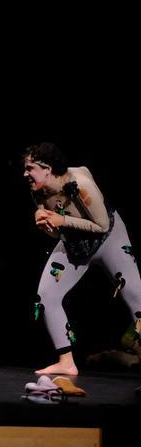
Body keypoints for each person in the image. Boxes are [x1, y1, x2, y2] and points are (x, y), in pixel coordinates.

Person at [23, 142, 141, 375]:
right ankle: (66, 362)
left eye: (30, 168)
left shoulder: (80, 185)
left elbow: (102, 225)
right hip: (75, 244)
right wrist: (45, 221)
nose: (25, 173)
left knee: (138, 300)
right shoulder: (37, 189)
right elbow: (56, 232)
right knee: (46, 296)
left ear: (48, 168)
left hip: (110, 240)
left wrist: (62, 221)